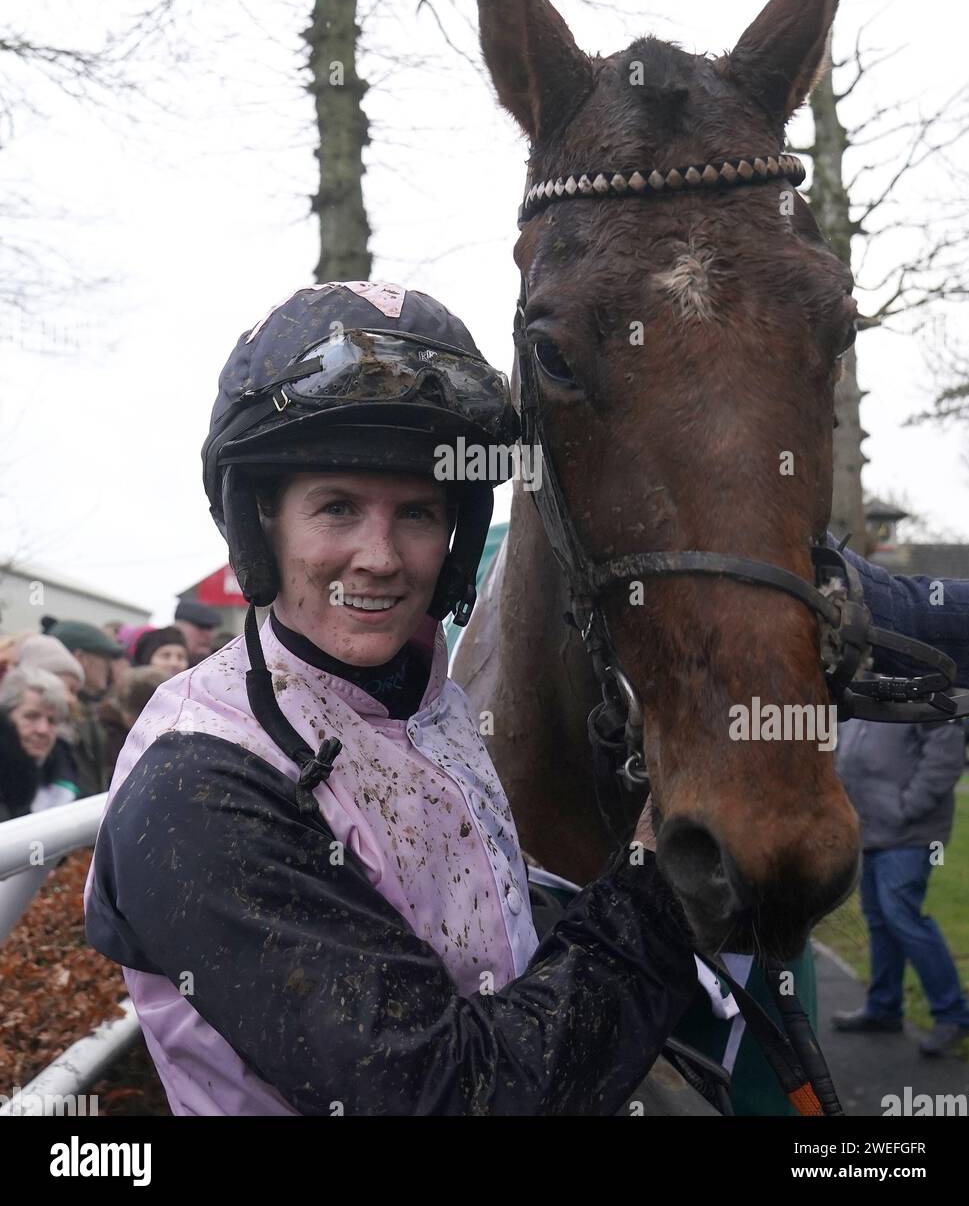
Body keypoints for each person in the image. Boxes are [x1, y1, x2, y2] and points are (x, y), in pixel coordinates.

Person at [84, 281, 690, 1117]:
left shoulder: (420, 697)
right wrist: (659, 875)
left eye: (415, 513)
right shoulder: (197, 791)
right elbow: (459, 1097)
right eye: (337, 508)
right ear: (262, 525)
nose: (380, 558)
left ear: (456, 537)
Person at [832, 712, 969, 1056]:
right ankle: (884, 1008)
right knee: (880, 921)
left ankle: (954, 1013)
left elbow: (946, 754)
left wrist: (906, 807)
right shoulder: (866, 684)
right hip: (870, 831)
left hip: (910, 832)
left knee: (902, 917)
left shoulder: (923, 684)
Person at [46, 620, 126, 796]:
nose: (110, 667)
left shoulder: (92, 713)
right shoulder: (54, 717)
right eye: (105, 658)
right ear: (80, 658)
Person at [0, 666, 79, 820]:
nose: (43, 730)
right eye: (31, 716)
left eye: (52, 721)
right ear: (5, 717)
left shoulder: (66, 773)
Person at [172, 600, 222, 667]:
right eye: (201, 626)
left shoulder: (222, 664)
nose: (208, 635)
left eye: (210, 628)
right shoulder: (162, 667)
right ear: (178, 628)